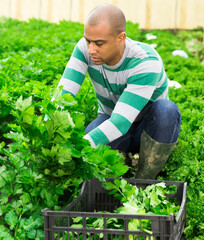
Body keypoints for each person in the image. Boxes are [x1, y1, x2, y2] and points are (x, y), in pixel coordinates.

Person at [57, 4, 181, 179]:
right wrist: (47, 127)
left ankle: (144, 178)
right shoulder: (85, 49)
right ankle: (121, 163)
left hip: (146, 128)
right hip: (109, 118)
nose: (91, 49)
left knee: (166, 110)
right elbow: (64, 94)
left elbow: (120, 123)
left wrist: (77, 149)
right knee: (92, 143)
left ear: (121, 38)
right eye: (88, 41)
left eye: (99, 43)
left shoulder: (145, 63)